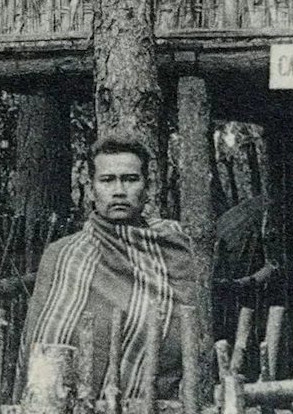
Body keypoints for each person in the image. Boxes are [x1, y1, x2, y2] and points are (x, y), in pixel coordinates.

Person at [22, 135, 197, 400]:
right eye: (107, 180)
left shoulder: (172, 251)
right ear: (91, 189)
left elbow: (184, 343)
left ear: (147, 187)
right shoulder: (63, 256)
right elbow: (43, 343)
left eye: (130, 179)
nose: (119, 190)